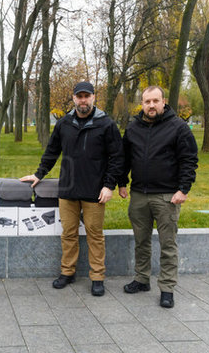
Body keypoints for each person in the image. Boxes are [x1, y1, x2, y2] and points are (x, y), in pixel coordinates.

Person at [21, 82, 124, 296]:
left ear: (94, 98)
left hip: (95, 192)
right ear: (74, 98)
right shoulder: (64, 123)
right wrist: (39, 174)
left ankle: (97, 277)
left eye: (87, 96)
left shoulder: (106, 124)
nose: (83, 100)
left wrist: (109, 185)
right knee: (68, 233)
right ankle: (67, 272)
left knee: (95, 234)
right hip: (67, 190)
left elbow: (117, 158)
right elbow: (52, 151)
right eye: (79, 96)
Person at [118, 85, 198, 308]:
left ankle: (167, 288)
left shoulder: (178, 128)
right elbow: (124, 158)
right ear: (142, 104)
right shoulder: (133, 128)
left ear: (163, 102)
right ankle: (142, 279)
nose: (151, 105)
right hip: (139, 196)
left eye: (155, 101)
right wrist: (122, 183)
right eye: (147, 101)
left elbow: (189, 160)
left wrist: (183, 189)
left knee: (168, 244)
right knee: (141, 242)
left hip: (167, 197)